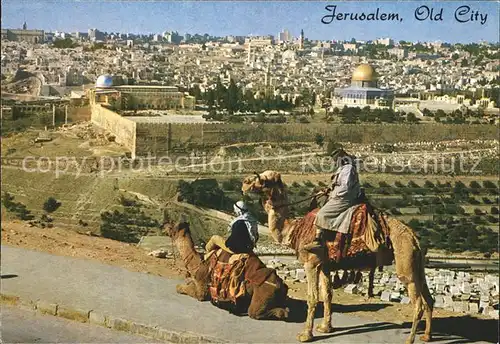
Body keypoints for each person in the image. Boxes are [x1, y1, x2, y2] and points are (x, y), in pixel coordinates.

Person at [303, 148, 363, 252]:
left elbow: (345, 188)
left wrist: (332, 194)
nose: (334, 161)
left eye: (336, 159)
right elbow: (337, 184)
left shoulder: (348, 169)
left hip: (344, 198)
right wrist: (328, 189)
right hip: (340, 195)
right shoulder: (342, 169)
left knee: (322, 214)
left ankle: (318, 241)